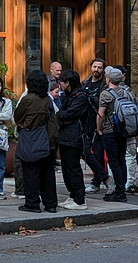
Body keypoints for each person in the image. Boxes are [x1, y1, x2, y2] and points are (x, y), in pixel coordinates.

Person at [14, 70, 58, 213]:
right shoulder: (48, 99)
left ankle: (32, 204)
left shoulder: (28, 99)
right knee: (48, 175)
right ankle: (50, 204)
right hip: (48, 140)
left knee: (30, 174)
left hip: (31, 140)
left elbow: (17, 117)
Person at [56, 69, 88, 210]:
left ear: (67, 83)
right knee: (67, 168)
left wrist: (62, 115)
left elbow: (68, 114)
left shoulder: (80, 96)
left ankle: (80, 199)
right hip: (65, 136)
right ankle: (73, 195)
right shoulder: (70, 96)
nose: (60, 85)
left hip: (74, 137)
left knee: (73, 168)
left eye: (62, 83)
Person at [97, 67, 129, 202]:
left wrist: (99, 128)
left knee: (113, 161)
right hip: (124, 130)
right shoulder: (127, 92)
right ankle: (122, 188)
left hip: (110, 131)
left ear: (108, 79)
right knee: (122, 160)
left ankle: (119, 191)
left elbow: (101, 114)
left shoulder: (106, 94)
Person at [82, 58, 109, 193]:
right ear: (90, 67)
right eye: (94, 67)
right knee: (85, 152)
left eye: (99, 67)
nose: (96, 70)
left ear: (103, 69)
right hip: (86, 122)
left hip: (100, 123)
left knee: (98, 153)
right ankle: (103, 177)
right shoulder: (85, 83)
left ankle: (96, 182)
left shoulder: (105, 85)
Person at [113, 65, 138, 195]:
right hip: (130, 127)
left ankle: (118, 183)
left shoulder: (109, 90)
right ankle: (130, 182)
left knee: (116, 156)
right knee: (129, 155)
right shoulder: (128, 90)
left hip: (116, 127)